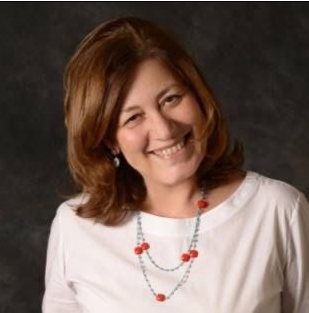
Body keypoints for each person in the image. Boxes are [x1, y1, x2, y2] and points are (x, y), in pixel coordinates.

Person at [42, 17, 309, 313]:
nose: (164, 129)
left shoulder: (277, 210)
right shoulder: (75, 227)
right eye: (133, 117)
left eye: (171, 99)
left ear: (197, 95)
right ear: (109, 140)